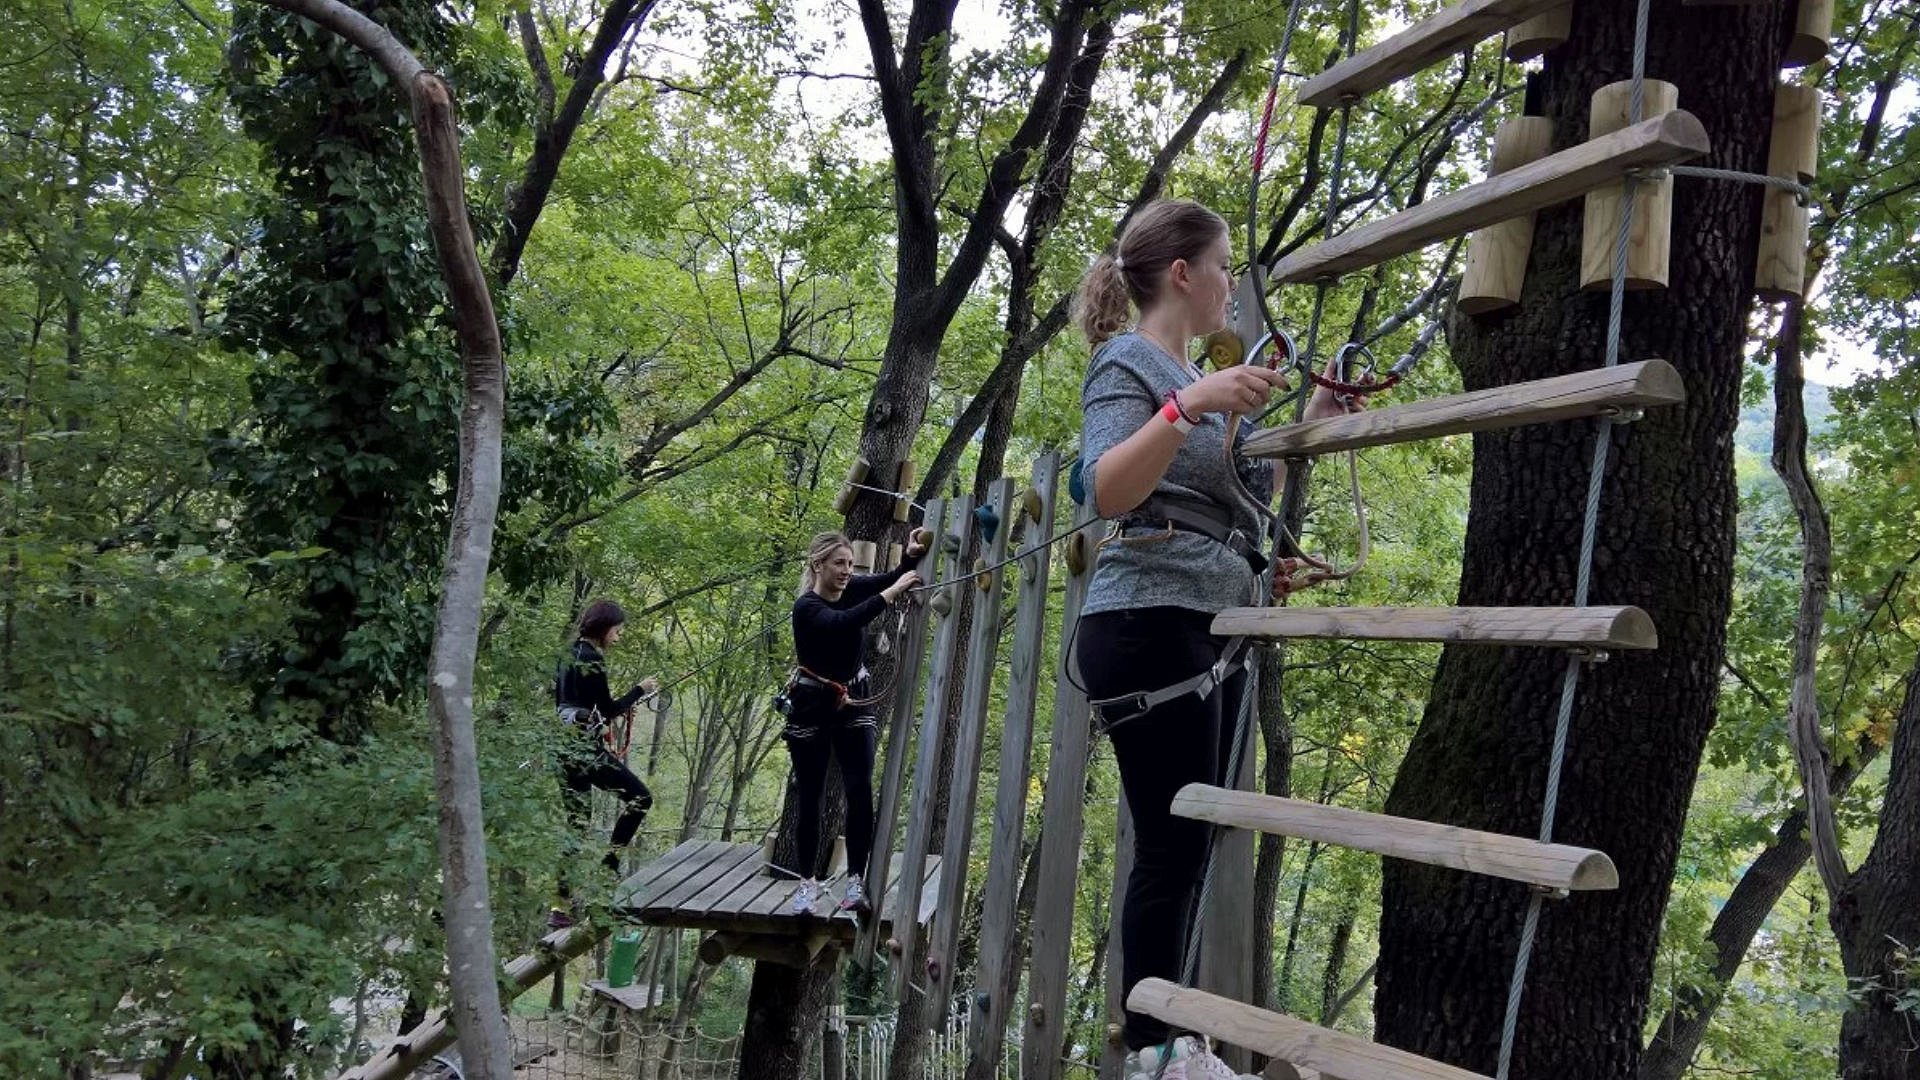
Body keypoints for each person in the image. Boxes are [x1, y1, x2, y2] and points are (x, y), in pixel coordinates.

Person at [1072, 199, 1359, 1080]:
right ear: (1183, 275)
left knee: (1192, 839)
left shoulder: (1201, 379)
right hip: (1147, 620)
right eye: (1225, 266)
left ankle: (1172, 1036)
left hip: (1210, 621)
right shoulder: (1128, 362)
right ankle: (1157, 1047)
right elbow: (1106, 489)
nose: (1232, 283)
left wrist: (1313, 409)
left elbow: (1238, 487)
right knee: (1173, 842)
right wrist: (1189, 401)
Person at [783, 530, 925, 915]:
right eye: (839, 564)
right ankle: (807, 884)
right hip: (811, 705)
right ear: (818, 565)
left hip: (852, 700)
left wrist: (910, 557)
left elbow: (891, 576)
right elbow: (842, 622)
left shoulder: (853, 586)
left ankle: (855, 881)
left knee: (859, 789)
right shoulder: (806, 607)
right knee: (810, 795)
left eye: (849, 563)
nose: (847, 571)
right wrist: (891, 593)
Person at [555, 600, 658, 886]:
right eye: (617, 631)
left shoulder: (567, 654)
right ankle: (608, 869)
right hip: (587, 751)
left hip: (562, 749)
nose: (618, 637)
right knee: (641, 798)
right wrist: (640, 690)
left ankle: (560, 898)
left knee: (576, 822)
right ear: (604, 628)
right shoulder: (593, 659)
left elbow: (571, 702)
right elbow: (609, 709)